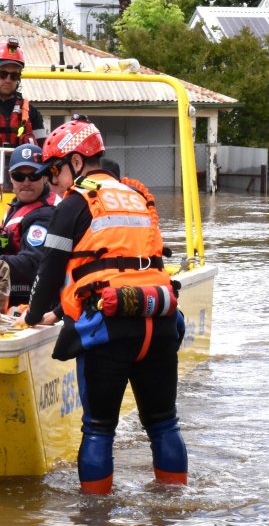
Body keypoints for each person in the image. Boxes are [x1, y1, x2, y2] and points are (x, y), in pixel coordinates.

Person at [23, 117, 187, 495]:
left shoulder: (75, 203)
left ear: (76, 163)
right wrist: (60, 312)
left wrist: (32, 316)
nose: (52, 181)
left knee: (98, 428)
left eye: (54, 170)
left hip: (110, 327)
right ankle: (174, 509)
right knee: (164, 424)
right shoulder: (137, 197)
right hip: (158, 319)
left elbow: (49, 271)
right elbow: (123, 265)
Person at [0, 144, 59, 306]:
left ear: (44, 176)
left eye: (34, 175)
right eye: (19, 176)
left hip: (30, 297)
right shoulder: (18, 205)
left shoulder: (46, 215)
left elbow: (30, 266)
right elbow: (2, 244)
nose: (26, 182)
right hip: (11, 289)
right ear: (10, 177)